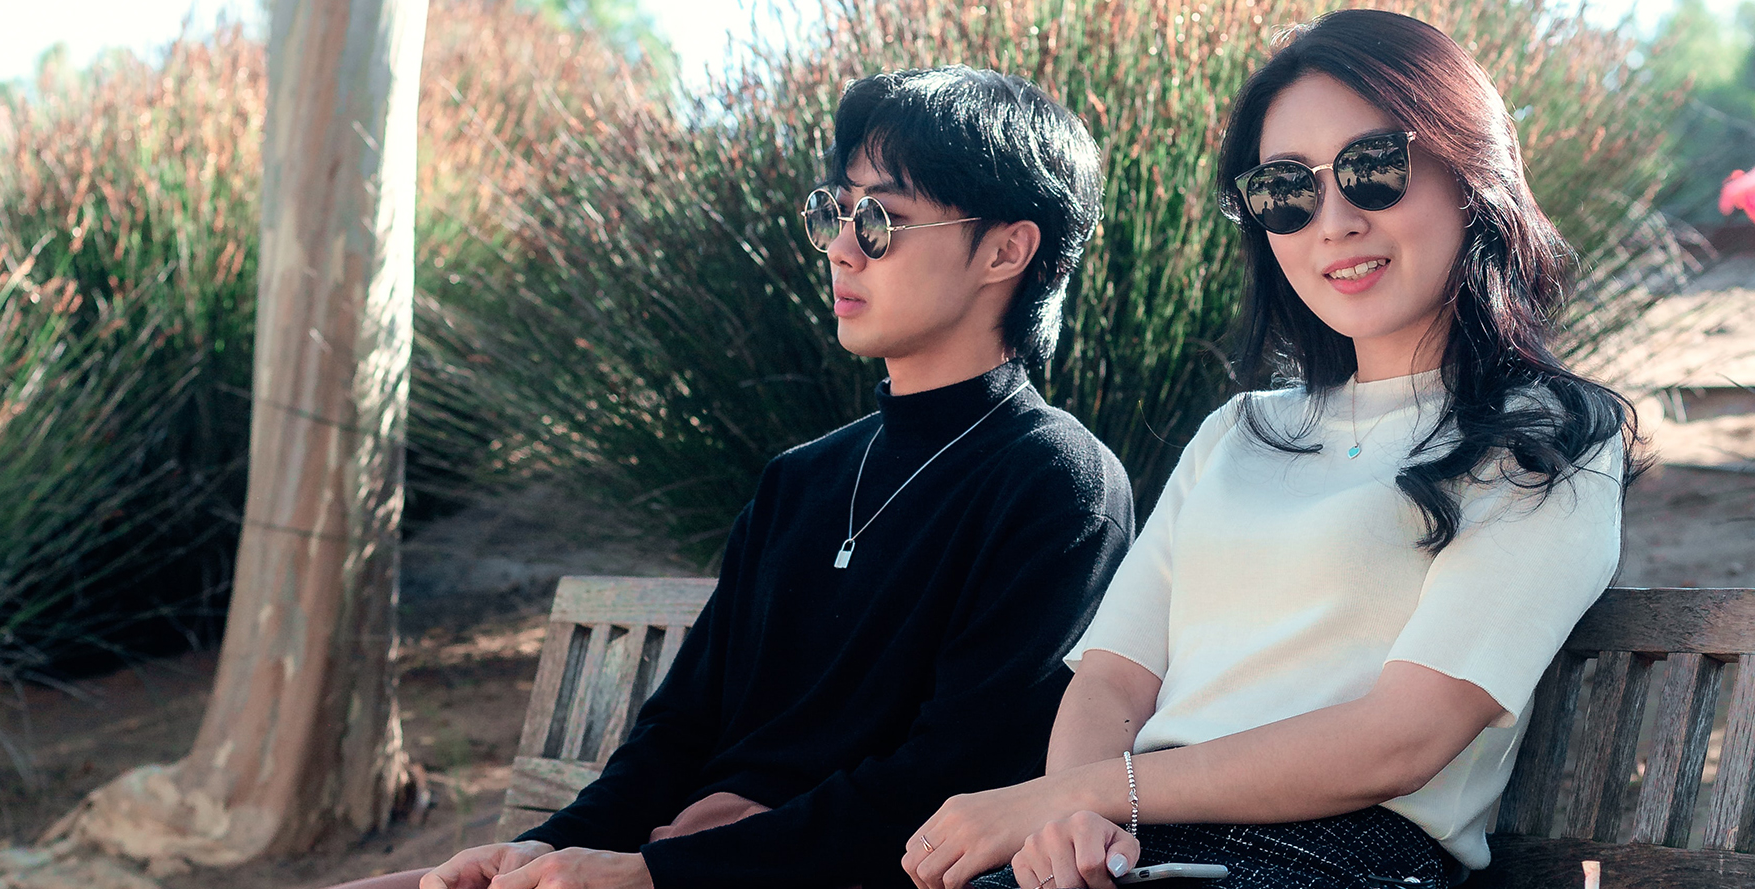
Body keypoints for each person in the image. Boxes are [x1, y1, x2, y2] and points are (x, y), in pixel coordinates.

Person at [897, 11, 1642, 889]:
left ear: (1469, 167)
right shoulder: (1237, 433)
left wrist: (1098, 794)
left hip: (1340, 857)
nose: (1332, 223)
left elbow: (1402, 738)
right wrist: (1071, 819)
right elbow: (1112, 680)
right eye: (1287, 190)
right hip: (1136, 850)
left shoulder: (1550, 438)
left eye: (1372, 169)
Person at [339, 66, 1133, 889]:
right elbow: (678, 728)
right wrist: (545, 847)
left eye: (879, 219)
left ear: (1007, 248)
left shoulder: (1061, 487)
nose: (838, 246)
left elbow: (951, 782)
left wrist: (662, 873)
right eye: (834, 211)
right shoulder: (802, 480)